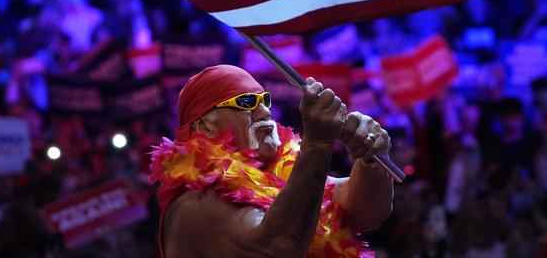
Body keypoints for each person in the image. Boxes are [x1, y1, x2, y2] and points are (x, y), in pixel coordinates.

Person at [150, 64, 394, 257]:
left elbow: (365, 211)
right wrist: (317, 145)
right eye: (246, 103)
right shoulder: (193, 204)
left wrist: (370, 159)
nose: (264, 111)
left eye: (265, 100)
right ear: (205, 126)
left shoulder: (281, 175)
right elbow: (279, 247)